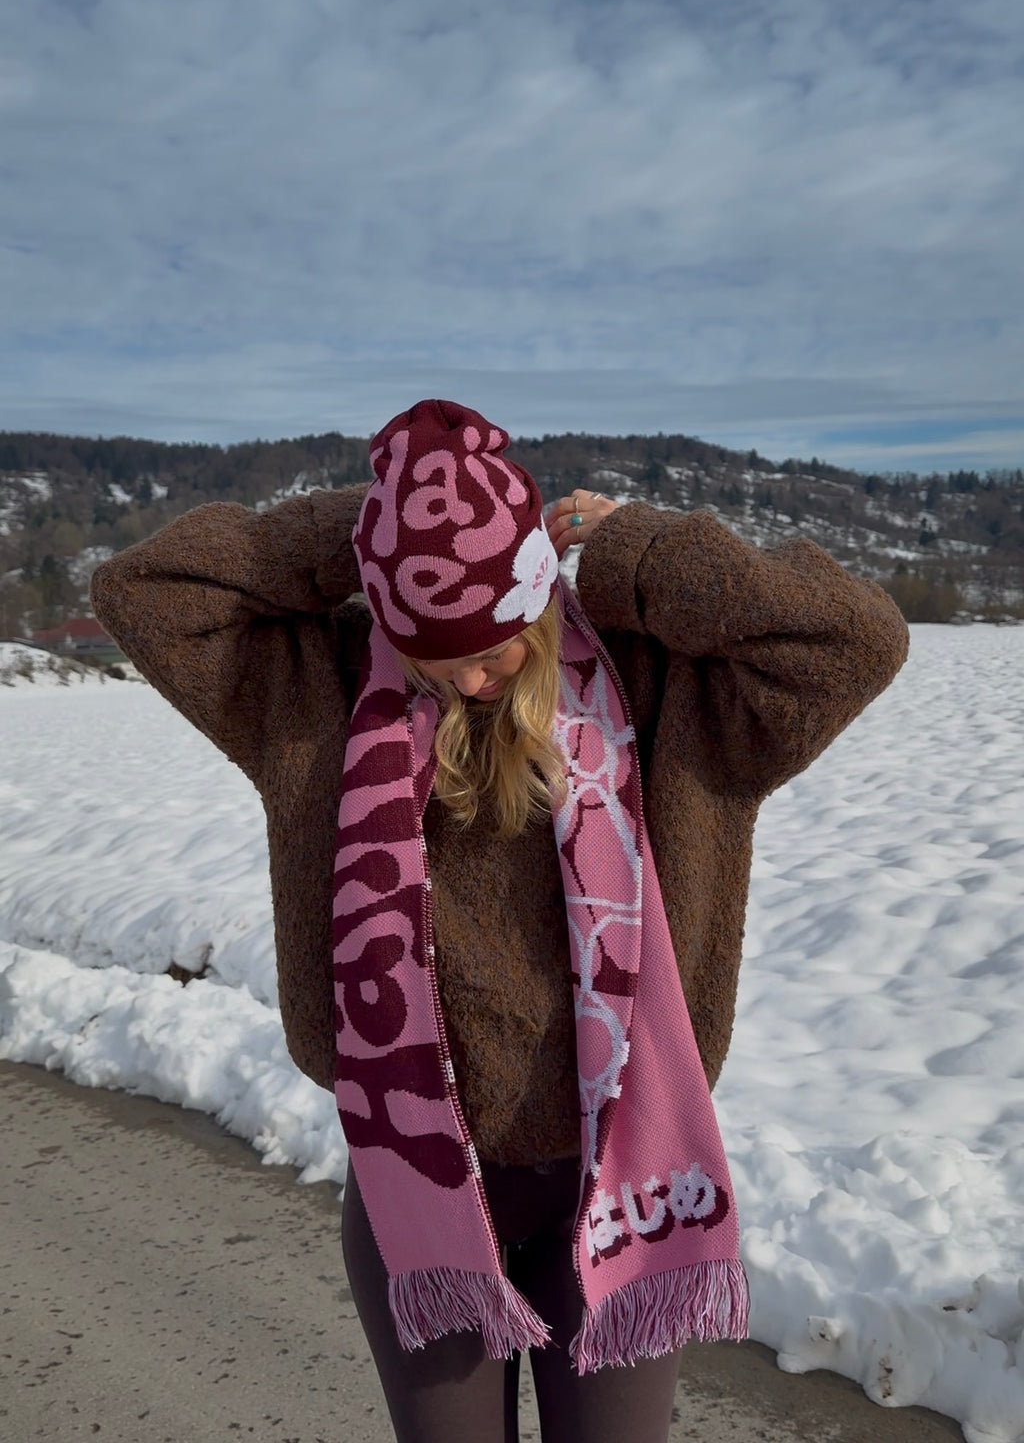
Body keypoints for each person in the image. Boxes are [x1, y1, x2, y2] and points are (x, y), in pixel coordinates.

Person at [91, 398, 909, 1443]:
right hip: (420, 1195)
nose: (474, 680)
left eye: (498, 645)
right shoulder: (314, 694)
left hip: (617, 1182)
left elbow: (851, 639)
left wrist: (642, 549)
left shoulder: (665, 689)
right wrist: (373, 529)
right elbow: (145, 590)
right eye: (437, 654)